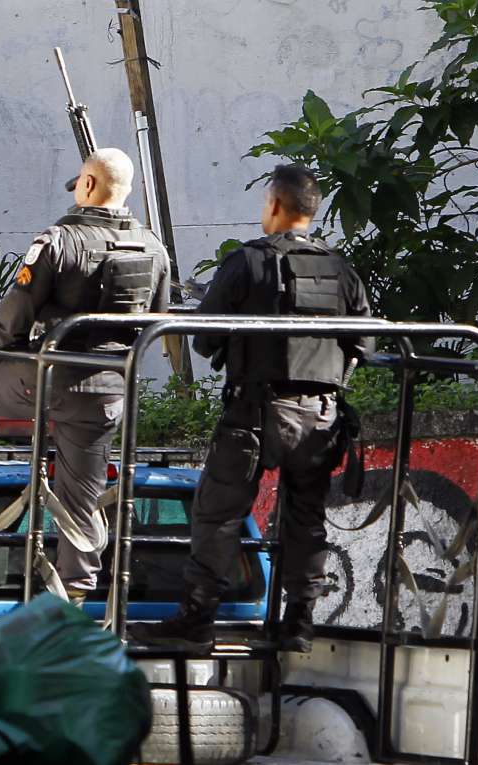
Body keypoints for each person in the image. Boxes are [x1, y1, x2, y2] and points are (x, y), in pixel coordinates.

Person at [129, 163, 372, 653]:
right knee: (306, 518)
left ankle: (196, 620)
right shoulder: (340, 269)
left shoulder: (248, 262)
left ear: (275, 204)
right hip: (321, 417)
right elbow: (364, 344)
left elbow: (204, 341)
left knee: (217, 513)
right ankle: (298, 624)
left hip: (255, 414)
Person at [0, 147, 171, 606]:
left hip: (46, 377)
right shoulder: (154, 247)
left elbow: (16, 313)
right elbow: (157, 320)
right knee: (80, 495)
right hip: (108, 389)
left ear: (87, 184)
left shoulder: (59, 240)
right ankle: (76, 595)